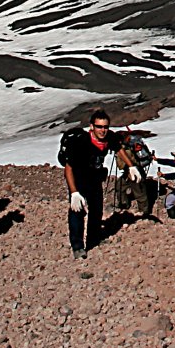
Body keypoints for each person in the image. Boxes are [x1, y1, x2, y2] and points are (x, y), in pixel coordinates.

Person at [58, 109, 113, 258]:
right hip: (79, 181)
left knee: (96, 210)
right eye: (99, 127)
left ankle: (93, 240)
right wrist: (74, 192)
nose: (103, 130)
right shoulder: (81, 143)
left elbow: (119, 148)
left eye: (105, 127)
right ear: (92, 127)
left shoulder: (108, 139)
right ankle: (77, 246)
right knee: (77, 211)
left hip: (94, 180)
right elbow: (68, 169)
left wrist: (131, 166)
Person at [111, 130, 154, 220]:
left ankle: (144, 212)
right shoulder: (125, 147)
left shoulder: (128, 147)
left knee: (139, 192)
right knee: (119, 186)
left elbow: (131, 161)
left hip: (136, 171)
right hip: (128, 172)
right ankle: (124, 204)